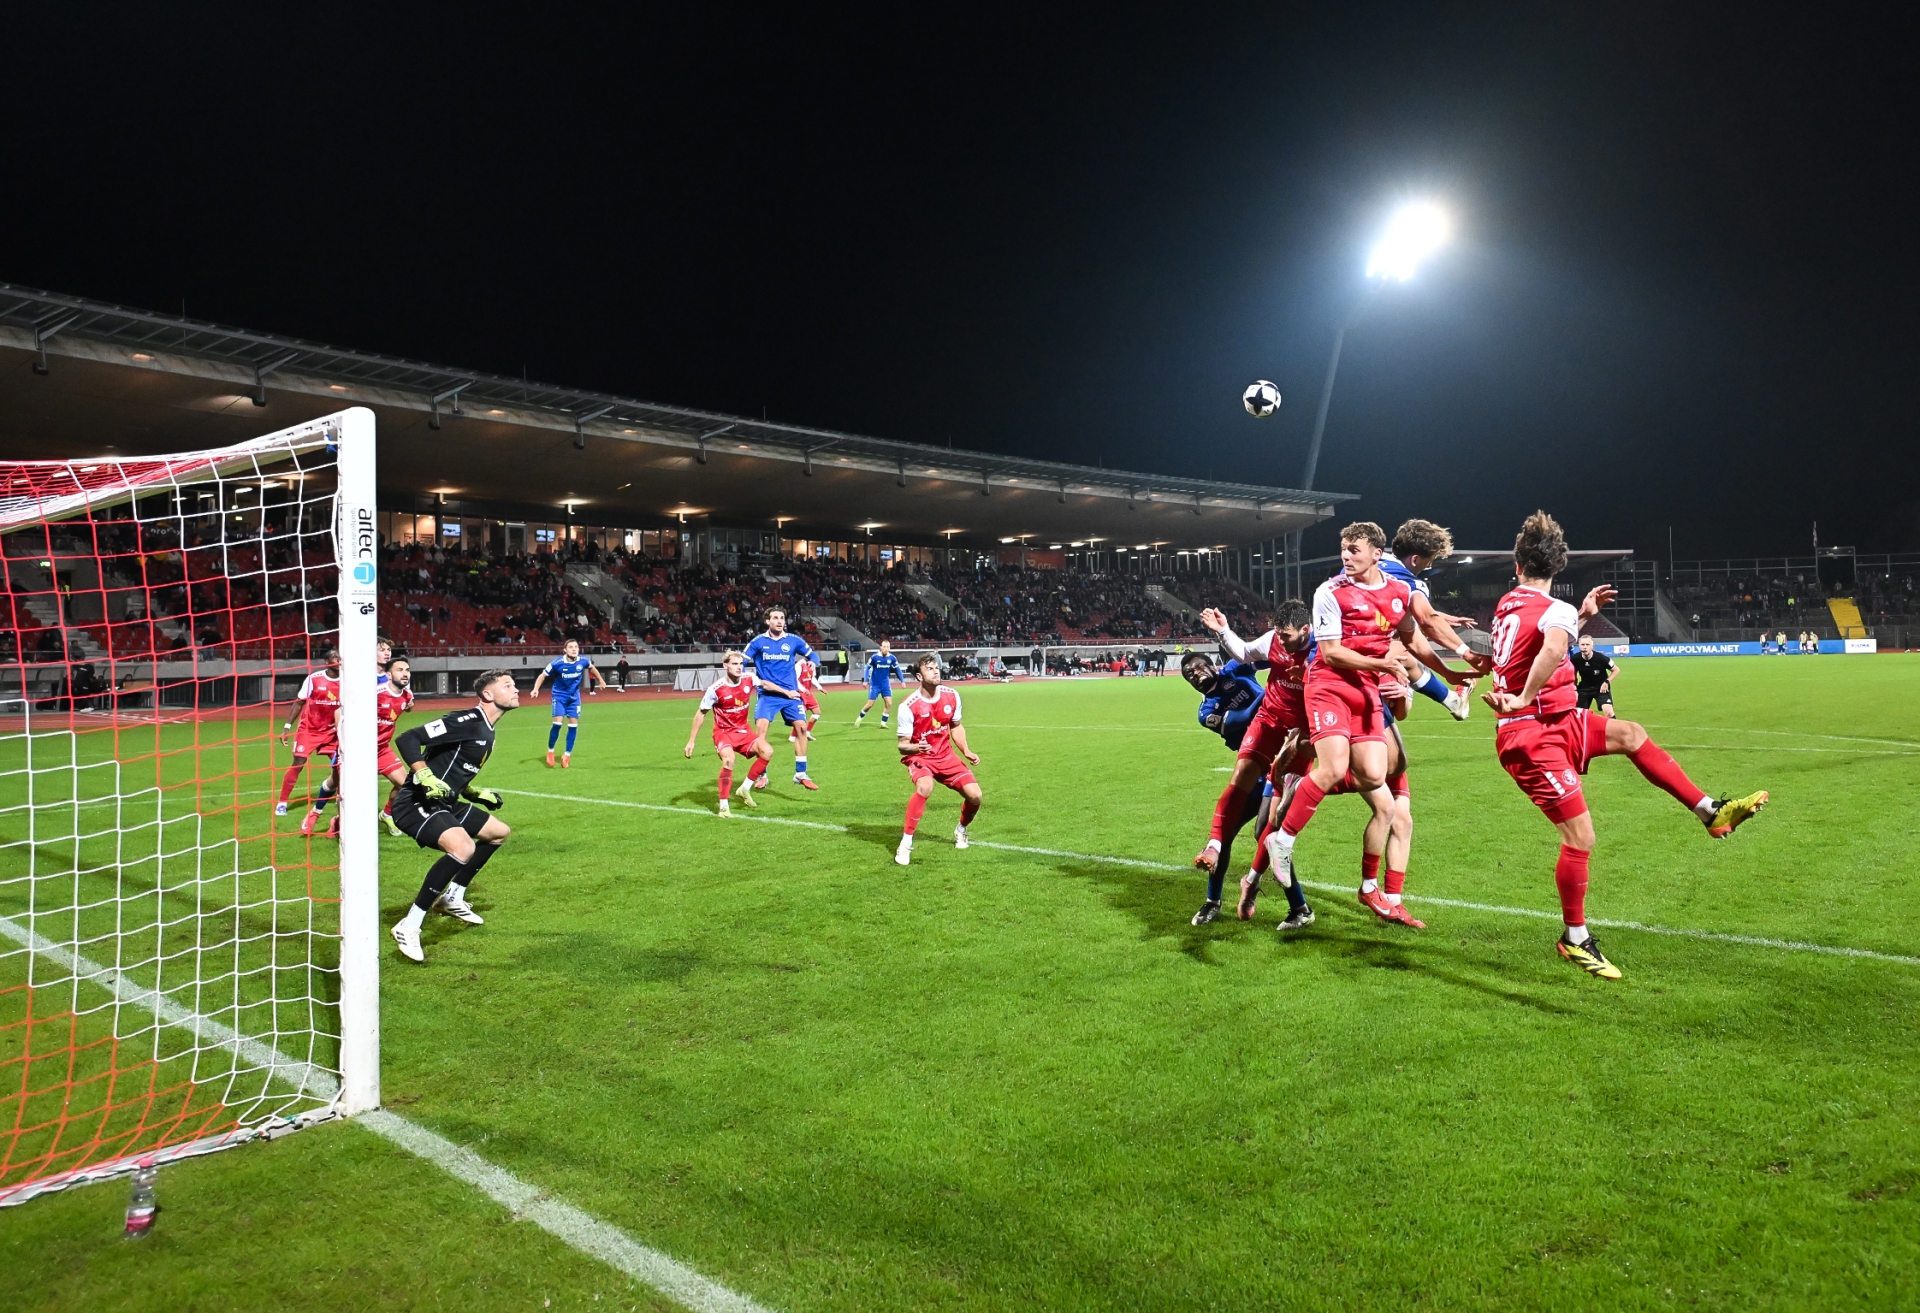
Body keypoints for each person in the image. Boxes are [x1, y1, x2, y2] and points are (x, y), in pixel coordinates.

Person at [1483, 511, 1768, 980]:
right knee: (1580, 837)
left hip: (1558, 720)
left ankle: (1710, 812)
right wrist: (1524, 696)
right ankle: (1575, 939)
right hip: (1532, 731)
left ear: (1517, 566)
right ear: (1559, 566)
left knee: (1630, 733)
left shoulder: (1507, 604)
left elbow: (1542, 637)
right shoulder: (1553, 610)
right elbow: (1551, 648)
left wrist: (1581, 616)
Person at [1257, 523, 1431, 928]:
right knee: (1382, 804)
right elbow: (1333, 657)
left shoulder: (1394, 637)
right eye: (1344, 549)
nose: (1345, 556)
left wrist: (1415, 686)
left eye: (1354, 549)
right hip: (1350, 720)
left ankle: (1383, 894)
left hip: (1381, 738)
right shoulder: (1347, 615)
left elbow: (1403, 709)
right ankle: (1373, 888)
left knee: (1395, 810)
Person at [387, 670, 519, 963]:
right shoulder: (467, 720)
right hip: (416, 801)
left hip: (445, 801)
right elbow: (408, 738)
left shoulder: (487, 729)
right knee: (463, 847)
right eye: (507, 685)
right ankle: (409, 926)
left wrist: (472, 792)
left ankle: (452, 897)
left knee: (498, 832)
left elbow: (449, 765)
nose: (515, 689)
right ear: (487, 694)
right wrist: (424, 775)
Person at [1179, 650, 1309, 929]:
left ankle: (1299, 907)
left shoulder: (1235, 669)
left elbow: (1270, 656)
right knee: (1225, 834)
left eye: (1197, 667)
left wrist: (1282, 667)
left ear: (1212, 665)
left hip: (1284, 759)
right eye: (1189, 675)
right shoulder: (1207, 712)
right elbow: (1242, 718)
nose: (1194, 674)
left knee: (1265, 834)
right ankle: (1213, 901)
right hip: (1254, 770)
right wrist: (1273, 692)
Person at [1379, 518, 1485, 721]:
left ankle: (1452, 700)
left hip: (1325, 651)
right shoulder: (1409, 583)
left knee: (1406, 657)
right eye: (1430, 559)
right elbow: (1427, 620)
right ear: (1415, 559)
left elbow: (1413, 631)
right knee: (1403, 655)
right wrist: (1466, 652)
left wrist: (1447, 672)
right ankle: (1451, 700)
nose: (1430, 565)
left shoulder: (1369, 561)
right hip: (1346, 659)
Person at [894, 653, 982, 866]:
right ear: (919, 676)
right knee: (925, 787)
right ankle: (905, 844)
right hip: (921, 757)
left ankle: (961, 829)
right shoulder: (908, 706)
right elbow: (902, 746)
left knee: (975, 796)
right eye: (929, 669)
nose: (935, 671)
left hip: (945, 755)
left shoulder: (952, 696)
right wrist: (916, 747)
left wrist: (966, 750)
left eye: (936, 667)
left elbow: (956, 726)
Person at [683, 650, 773, 815]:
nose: (739, 667)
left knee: (767, 751)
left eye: (741, 664)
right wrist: (691, 741)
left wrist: (787, 692)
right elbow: (701, 713)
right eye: (734, 664)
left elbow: (765, 684)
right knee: (729, 760)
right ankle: (724, 807)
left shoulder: (749, 678)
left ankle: (744, 788)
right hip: (723, 733)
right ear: (725, 666)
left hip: (743, 731)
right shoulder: (715, 689)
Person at [742, 607, 819, 790]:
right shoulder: (758, 642)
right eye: (775, 618)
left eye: (782, 618)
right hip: (767, 695)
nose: (779, 621)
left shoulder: (793, 640)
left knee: (801, 728)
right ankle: (762, 775)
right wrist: (744, 680)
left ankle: (800, 774)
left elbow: (813, 655)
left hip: (791, 694)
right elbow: (742, 661)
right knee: (761, 732)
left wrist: (813, 662)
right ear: (767, 621)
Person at [278, 648, 342, 821]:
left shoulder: (347, 680)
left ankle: (341, 800)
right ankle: (282, 802)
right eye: (334, 657)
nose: (338, 659)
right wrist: (287, 727)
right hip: (309, 730)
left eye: (339, 656)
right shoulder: (314, 679)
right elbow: (299, 703)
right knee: (298, 764)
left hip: (332, 732)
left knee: (341, 766)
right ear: (327, 662)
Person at [530, 639, 606, 768]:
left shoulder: (583, 661)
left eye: (576, 646)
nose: (574, 649)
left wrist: (601, 680)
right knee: (557, 724)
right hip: (559, 696)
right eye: (571, 647)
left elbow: (592, 668)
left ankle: (567, 755)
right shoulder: (557, 663)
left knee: (573, 726)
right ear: (565, 650)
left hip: (574, 698)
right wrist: (536, 689)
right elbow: (543, 675)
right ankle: (550, 751)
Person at [376, 656, 416, 837]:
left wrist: (409, 706)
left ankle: (387, 814)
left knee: (405, 784)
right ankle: (338, 823)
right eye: (400, 670)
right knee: (349, 793)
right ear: (388, 675)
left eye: (407, 670)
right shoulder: (375, 693)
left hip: (382, 749)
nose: (405, 673)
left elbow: (407, 706)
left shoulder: (407, 695)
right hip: (360, 751)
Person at [1570, 633, 1618, 717]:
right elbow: (1573, 673)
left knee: (1609, 713)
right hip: (1584, 688)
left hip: (1601, 688)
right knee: (1579, 715)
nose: (1585, 647)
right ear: (1579, 646)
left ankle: (1613, 726)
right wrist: (1574, 687)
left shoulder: (1601, 658)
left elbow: (1616, 670)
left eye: (1587, 644)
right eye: (1582, 645)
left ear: (1592, 646)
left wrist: (1606, 682)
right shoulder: (1575, 659)